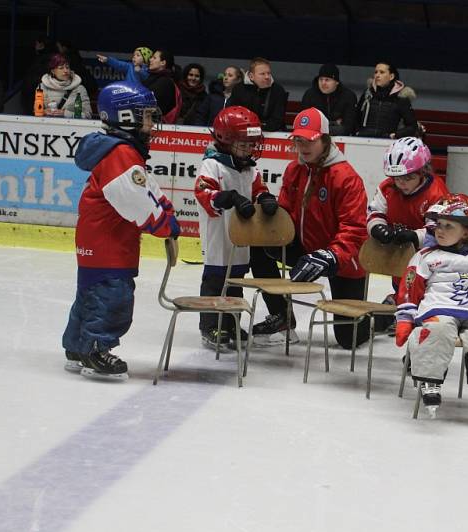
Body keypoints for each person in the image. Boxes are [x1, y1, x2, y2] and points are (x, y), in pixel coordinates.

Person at [62, 81, 180, 379]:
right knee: (113, 296)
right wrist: (164, 223)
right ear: (127, 117)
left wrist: (165, 208)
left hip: (99, 239)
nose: (153, 124)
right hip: (109, 242)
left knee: (91, 293)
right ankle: (95, 350)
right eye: (148, 116)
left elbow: (147, 189)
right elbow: (137, 201)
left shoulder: (122, 152)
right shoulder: (121, 155)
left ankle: (78, 346)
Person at [247, 108, 369, 349]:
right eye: (298, 140)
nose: (303, 146)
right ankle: (282, 317)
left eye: (309, 140)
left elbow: (354, 228)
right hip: (305, 249)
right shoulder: (295, 170)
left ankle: (384, 318)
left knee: (349, 340)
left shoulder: (345, 177)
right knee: (259, 247)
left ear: (324, 139)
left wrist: (330, 256)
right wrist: (272, 209)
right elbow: (288, 216)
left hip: (343, 258)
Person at [394, 193, 468, 419]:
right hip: (437, 310)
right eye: (438, 225)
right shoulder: (425, 257)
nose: (440, 230)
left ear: (467, 231)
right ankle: (429, 381)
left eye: (448, 226)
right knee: (437, 331)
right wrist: (405, 320)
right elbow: (410, 289)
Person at [193, 106, 278, 349]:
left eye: (252, 143)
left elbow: (258, 188)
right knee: (215, 280)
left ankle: (231, 321)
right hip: (219, 234)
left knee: (236, 280)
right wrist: (228, 198)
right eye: (244, 144)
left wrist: (265, 199)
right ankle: (210, 325)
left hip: (241, 236)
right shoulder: (212, 164)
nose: (250, 149)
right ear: (226, 140)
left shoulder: (250, 167)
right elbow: (203, 192)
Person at [367, 137, 449, 332]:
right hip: (400, 253)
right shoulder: (387, 188)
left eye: (408, 178)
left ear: (423, 171)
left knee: (423, 291)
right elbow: (374, 212)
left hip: (430, 256)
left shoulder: (437, 193)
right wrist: (377, 228)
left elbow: (438, 231)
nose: (401, 184)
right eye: (397, 178)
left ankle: (402, 307)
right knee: (402, 284)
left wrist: (413, 236)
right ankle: (397, 303)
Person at [356, 61, 419, 139]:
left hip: (388, 143)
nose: (377, 75)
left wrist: (395, 135)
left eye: (382, 72)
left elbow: (412, 126)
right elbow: (356, 116)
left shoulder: (401, 97)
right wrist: (358, 132)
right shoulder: (367, 94)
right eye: (376, 72)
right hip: (363, 141)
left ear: (391, 76)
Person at [227, 57, 287, 131]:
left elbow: (277, 119)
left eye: (268, 73)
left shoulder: (278, 90)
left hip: (271, 132)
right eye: (262, 74)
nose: (267, 77)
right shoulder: (238, 89)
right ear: (251, 76)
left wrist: (256, 129)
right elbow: (233, 115)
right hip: (242, 132)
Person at [300, 63, 358, 136]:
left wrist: (318, 127)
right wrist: (335, 124)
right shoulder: (310, 95)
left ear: (336, 82)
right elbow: (304, 123)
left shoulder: (348, 96)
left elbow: (347, 128)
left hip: (341, 140)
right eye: (321, 79)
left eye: (327, 80)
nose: (323, 83)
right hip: (313, 139)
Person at [40, 53, 92, 118]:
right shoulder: (42, 87)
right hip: (48, 127)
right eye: (61, 68)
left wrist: (65, 113)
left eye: (67, 67)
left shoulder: (79, 89)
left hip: (71, 127)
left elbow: (88, 115)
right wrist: (44, 112)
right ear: (53, 71)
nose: (65, 71)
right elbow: (35, 111)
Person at [142, 49, 179, 123]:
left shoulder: (165, 82)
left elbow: (148, 104)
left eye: (154, 58)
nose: (150, 59)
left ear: (163, 63)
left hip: (155, 129)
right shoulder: (152, 78)